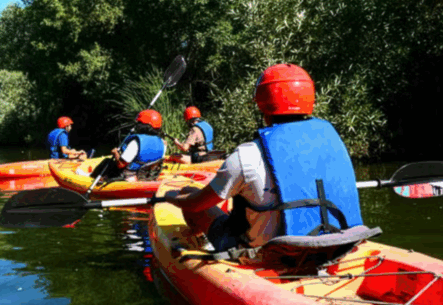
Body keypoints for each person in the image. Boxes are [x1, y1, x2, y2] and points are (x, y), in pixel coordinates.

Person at [164, 64, 364, 256]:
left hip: (269, 254)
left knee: (188, 194)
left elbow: (196, 205)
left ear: (262, 106)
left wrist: (171, 198)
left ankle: (201, 249)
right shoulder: (332, 142)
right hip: (335, 245)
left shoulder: (245, 156)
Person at [107, 109, 167, 182]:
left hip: (130, 177)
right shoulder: (162, 142)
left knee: (107, 162)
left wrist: (115, 153)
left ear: (143, 125)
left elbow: (121, 164)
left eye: (139, 123)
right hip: (149, 177)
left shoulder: (136, 142)